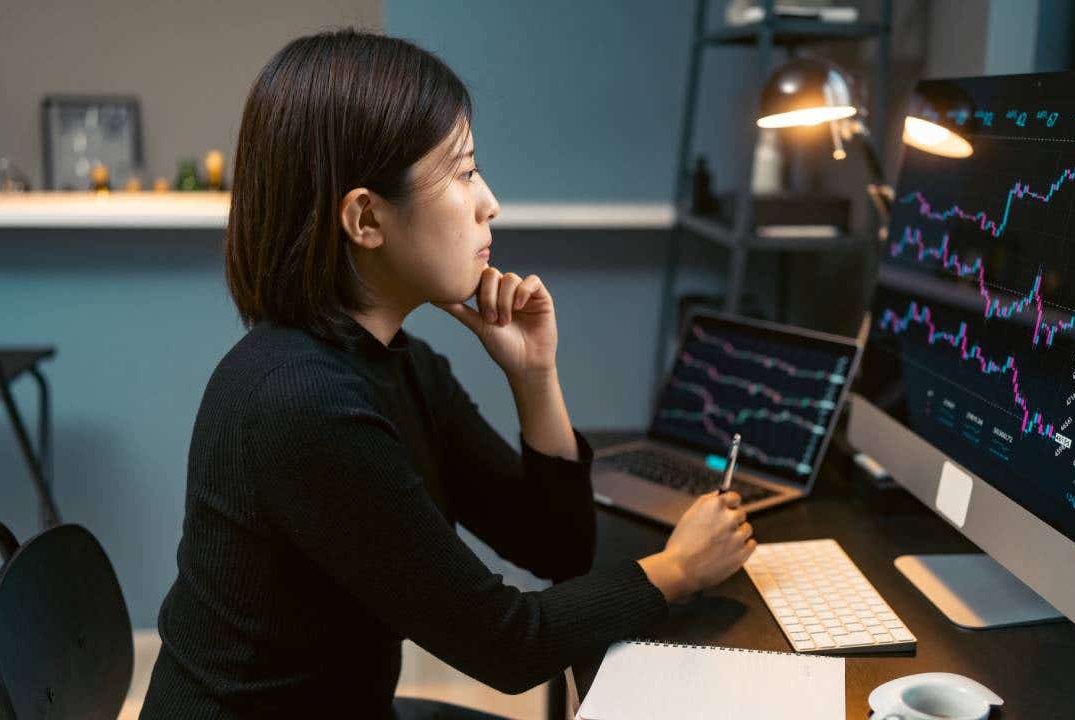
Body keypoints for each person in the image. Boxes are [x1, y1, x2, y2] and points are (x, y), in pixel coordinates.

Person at [139, 28, 755, 719]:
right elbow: (506, 645)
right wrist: (677, 570)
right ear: (366, 218)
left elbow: (555, 547)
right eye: (463, 174)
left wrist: (534, 374)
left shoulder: (396, 363)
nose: (489, 201)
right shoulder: (302, 404)